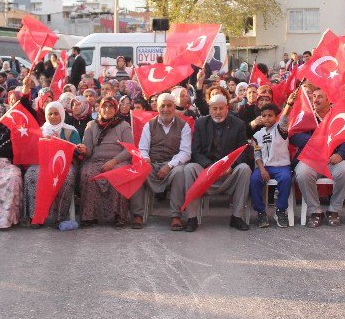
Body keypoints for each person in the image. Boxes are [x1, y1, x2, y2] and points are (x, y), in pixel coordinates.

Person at [184, 94, 252, 232]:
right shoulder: (201, 123)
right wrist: (210, 166)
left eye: (221, 108)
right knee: (189, 168)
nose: (218, 112)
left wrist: (230, 166)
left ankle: (237, 217)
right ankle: (192, 218)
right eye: (214, 108)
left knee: (244, 169)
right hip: (206, 171)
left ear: (227, 108)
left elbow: (243, 151)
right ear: (209, 109)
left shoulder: (238, 124)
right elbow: (195, 152)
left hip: (228, 173)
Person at [132, 93, 192, 231]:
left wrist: (169, 166)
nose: (166, 109)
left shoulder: (184, 126)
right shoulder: (149, 125)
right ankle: (137, 214)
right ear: (157, 108)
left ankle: (176, 216)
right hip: (153, 163)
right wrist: (145, 159)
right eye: (162, 106)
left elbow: (185, 153)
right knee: (138, 170)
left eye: (169, 105)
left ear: (174, 107)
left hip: (173, 165)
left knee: (180, 173)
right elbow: (143, 148)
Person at [79, 96, 137, 228]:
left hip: (118, 161)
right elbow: (88, 150)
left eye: (111, 106)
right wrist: (83, 150)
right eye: (104, 106)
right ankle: (89, 216)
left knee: (119, 174)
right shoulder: (91, 125)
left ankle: (119, 216)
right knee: (88, 175)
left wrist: (113, 162)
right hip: (95, 160)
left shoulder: (123, 125)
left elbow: (129, 149)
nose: (107, 109)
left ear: (116, 108)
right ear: (99, 108)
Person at [23, 101, 80, 228]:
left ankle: (60, 217)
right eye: (50, 114)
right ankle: (36, 216)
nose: (53, 116)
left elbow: (76, 151)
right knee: (31, 176)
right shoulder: (41, 131)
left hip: (63, 165)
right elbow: (32, 151)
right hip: (42, 164)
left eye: (56, 114)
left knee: (67, 176)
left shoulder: (70, 131)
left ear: (62, 114)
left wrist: (61, 143)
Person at [250, 102, 292, 228]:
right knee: (254, 179)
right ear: (261, 117)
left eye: (270, 115)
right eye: (264, 116)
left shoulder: (281, 129)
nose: (267, 118)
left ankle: (280, 211)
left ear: (275, 117)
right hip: (264, 167)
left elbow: (285, 117)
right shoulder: (257, 135)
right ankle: (261, 212)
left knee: (286, 178)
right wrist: (262, 169)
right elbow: (257, 154)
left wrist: (289, 103)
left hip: (281, 166)